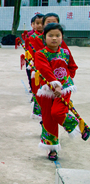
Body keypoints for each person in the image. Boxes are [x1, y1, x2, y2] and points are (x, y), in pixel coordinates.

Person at [34, 23, 80, 161]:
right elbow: (45, 70)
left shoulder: (65, 52)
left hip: (64, 90)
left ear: (62, 37)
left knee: (57, 112)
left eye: (57, 35)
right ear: (45, 37)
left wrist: (66, 79)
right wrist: (55, 84)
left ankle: (73, 123)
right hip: (48, 90)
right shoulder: (40, 54)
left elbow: (72, 66)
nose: (54, 38)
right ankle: (52, 150)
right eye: (51, 35)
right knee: (48, 119)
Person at [24, 13, 45, 119]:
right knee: (34, 82)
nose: (40, 26)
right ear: (32, 24)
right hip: (34, 64)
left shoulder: (50, 36)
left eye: (42, 23)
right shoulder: (31, 36)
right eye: (37, 23)